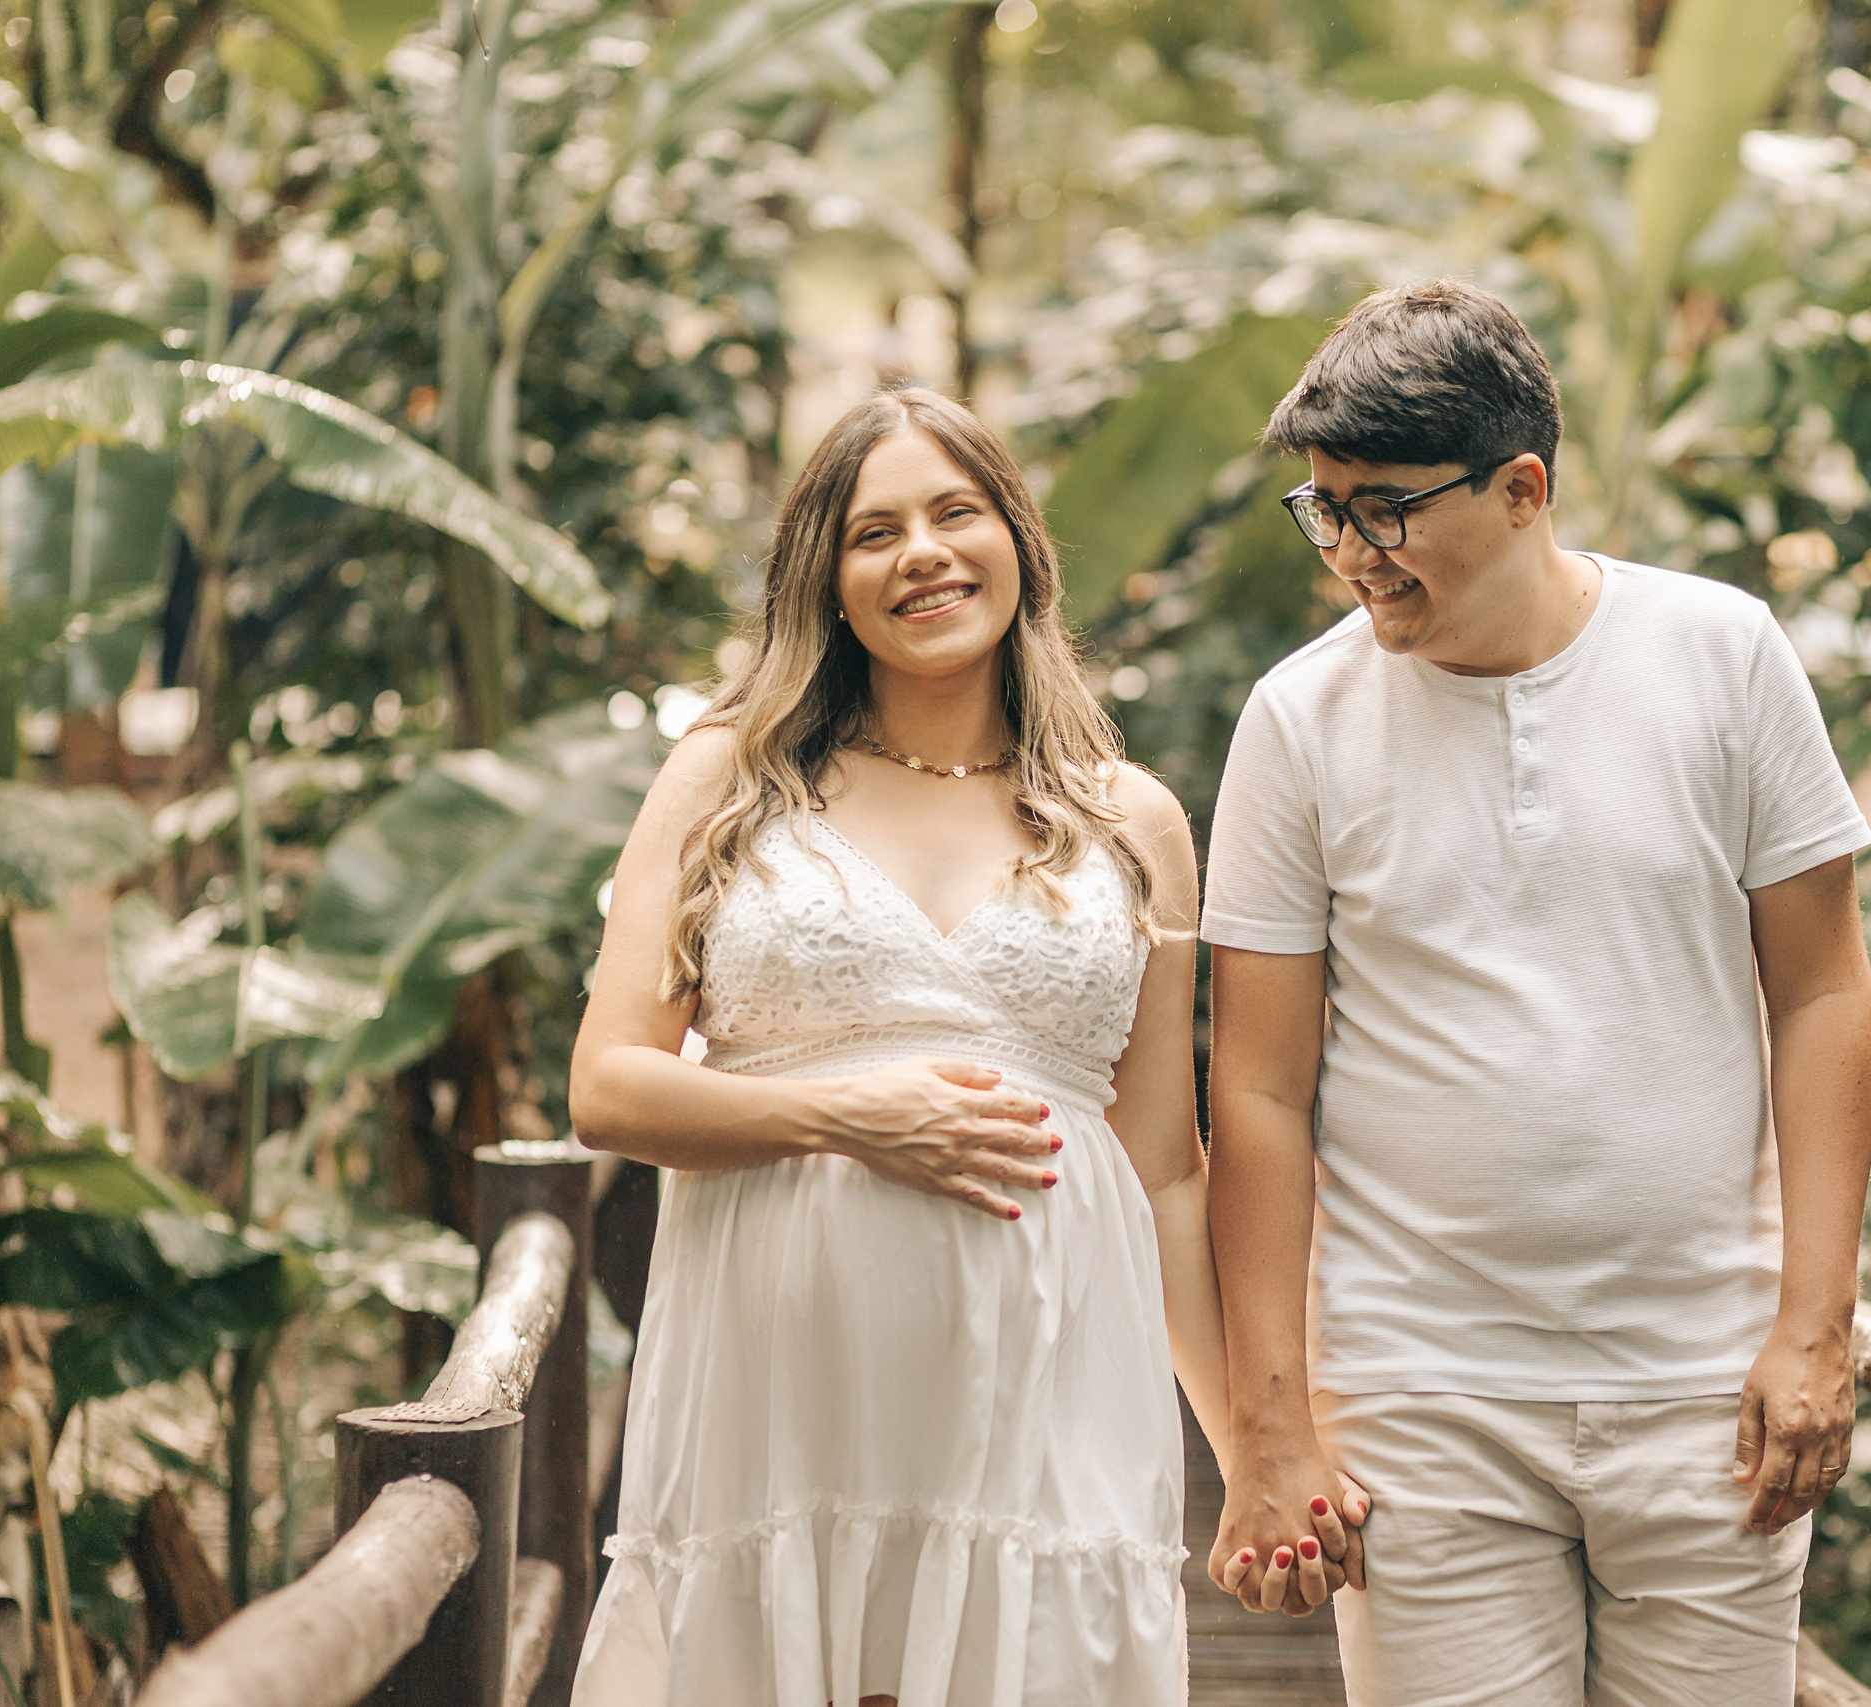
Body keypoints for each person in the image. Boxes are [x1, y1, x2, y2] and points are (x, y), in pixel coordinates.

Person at [564, 386, 1350, 1707]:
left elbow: (1165, 1172)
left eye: (955, 514)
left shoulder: (1133, 822)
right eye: (874, 533)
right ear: (827, 584)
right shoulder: (727, 778)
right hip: (785, 1397)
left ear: (1019, 545)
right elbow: (608, 1088)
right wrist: (848, 1117)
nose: (921, 553)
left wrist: (1256, 1457)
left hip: (1045, 1392)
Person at [1202, 280, 1871, 1705]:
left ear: (1522, 490)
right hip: (1419, 1399)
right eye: (1326, 510)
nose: (1351, 553)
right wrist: (1272, 1431)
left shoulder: (1723, 655)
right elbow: (1256, 1092)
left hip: (1707, 1390)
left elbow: (1823, 994)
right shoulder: (1299, 720)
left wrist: (1815, 1328)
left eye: (1385, 509)